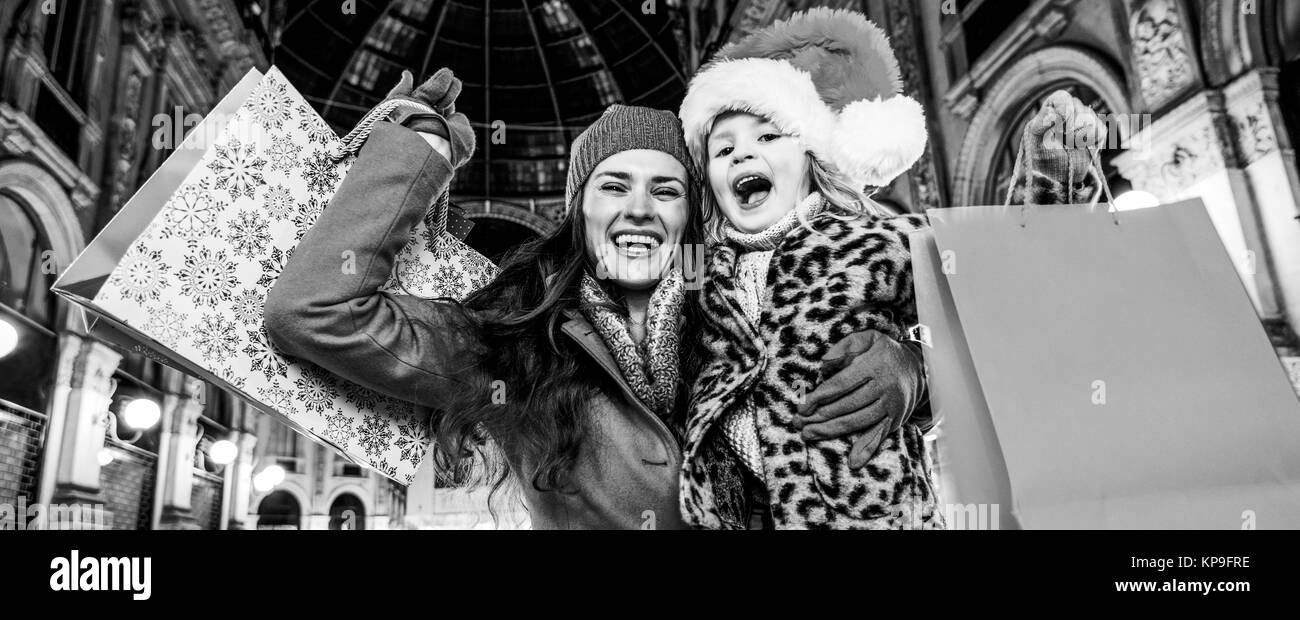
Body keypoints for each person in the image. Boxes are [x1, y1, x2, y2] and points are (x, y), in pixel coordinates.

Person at [263, 68, 931, 529]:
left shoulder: (750, 312)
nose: (638, 210)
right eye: (613, 187)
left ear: (690, 217)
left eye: (665, 191)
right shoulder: (513, 346)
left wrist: (912, 370)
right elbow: (312, 310)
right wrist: (419, 149)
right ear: (578, 214)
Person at [674, 8, 1106, 529]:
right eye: (723, 149)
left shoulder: (874, 240)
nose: (743, 153)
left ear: (813, 159)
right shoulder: (700, 277)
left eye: (768, 137)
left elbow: (998, 296)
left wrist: (920, 373)